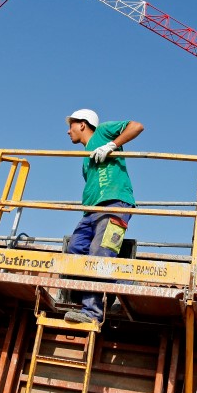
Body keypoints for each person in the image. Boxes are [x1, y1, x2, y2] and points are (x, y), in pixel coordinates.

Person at [63, 109, 144, 323]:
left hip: (115, 204)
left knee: (100, 252)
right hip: (91, 212)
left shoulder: (102, 132)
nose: (68, 130)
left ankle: (92, 313)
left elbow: (136, 126)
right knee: (75, 249)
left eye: (71, 125)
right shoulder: (84, 159)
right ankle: (119, 283)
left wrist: (111, 145)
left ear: (82, 124)